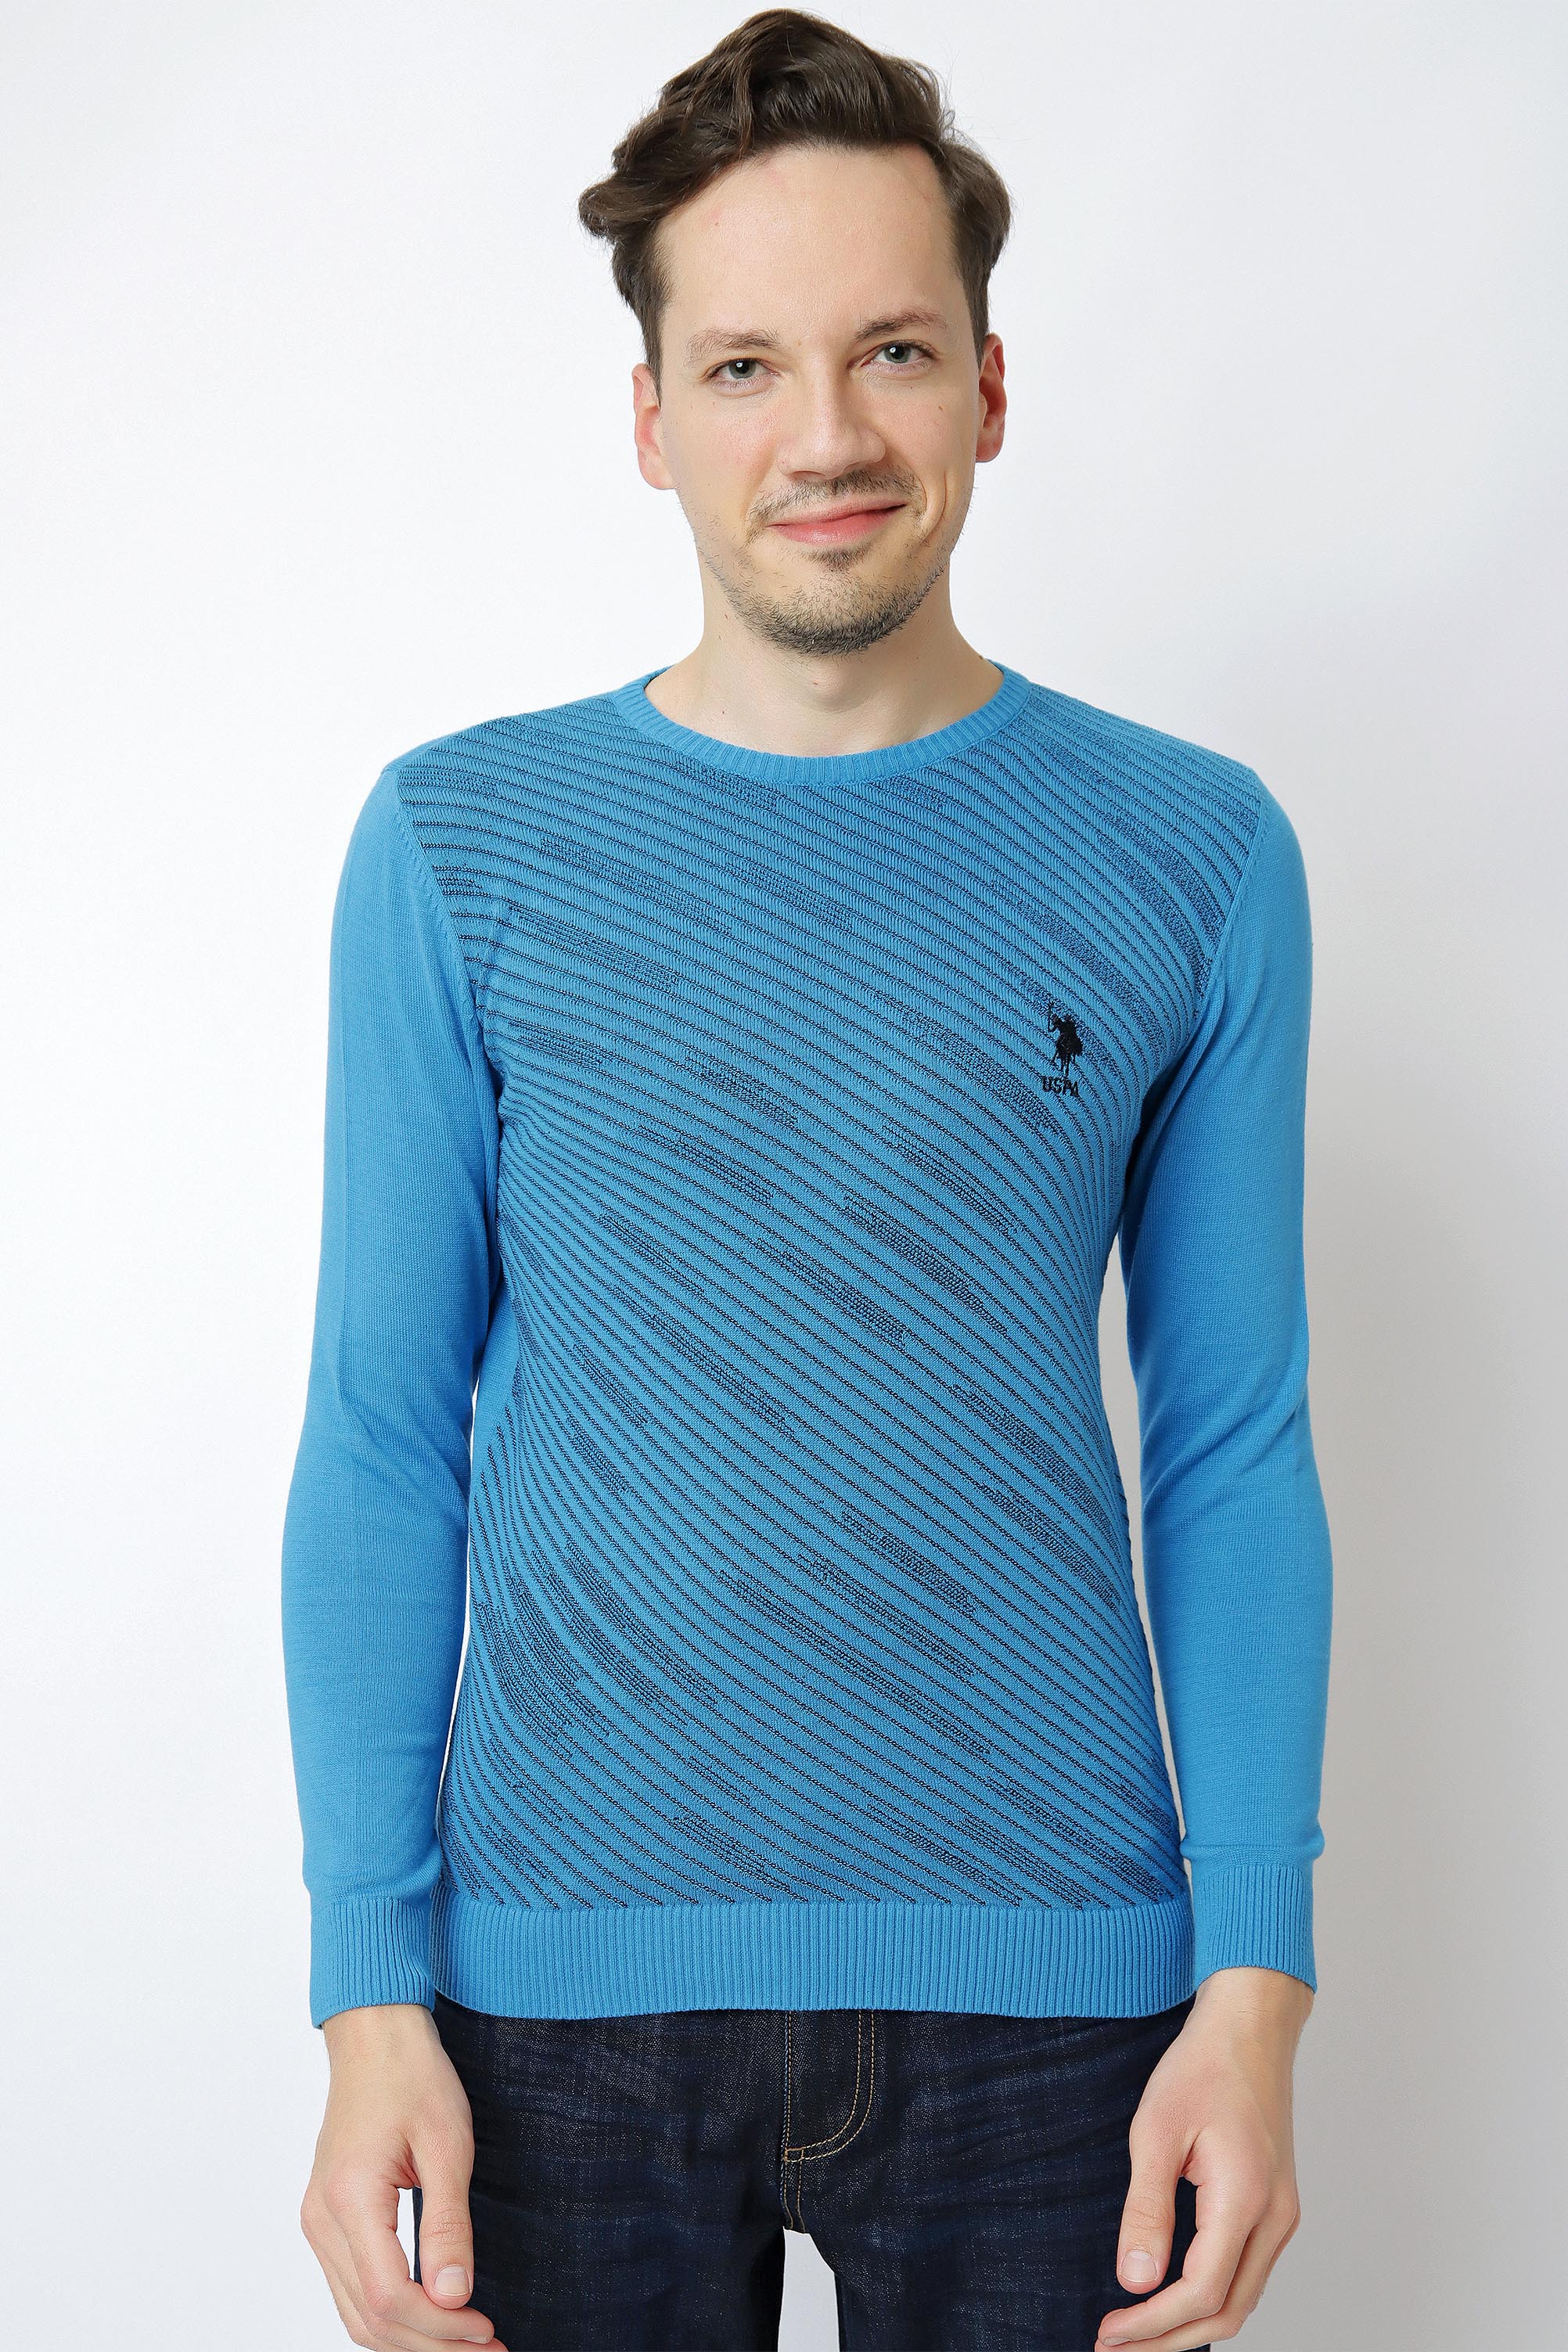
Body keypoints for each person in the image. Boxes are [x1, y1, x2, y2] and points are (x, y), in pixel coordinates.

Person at [281, 11, 1332, 2349]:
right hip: (550, 2009)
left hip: (1060, 1998)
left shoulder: (1192, 853)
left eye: (892, 352)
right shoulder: (461, 847)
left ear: (989, 385)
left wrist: (1254, 1983)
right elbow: (378, 1438)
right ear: (653, 419)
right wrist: (368, 1997)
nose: (829, 435)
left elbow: (1234, 1443)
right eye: (745, 366)